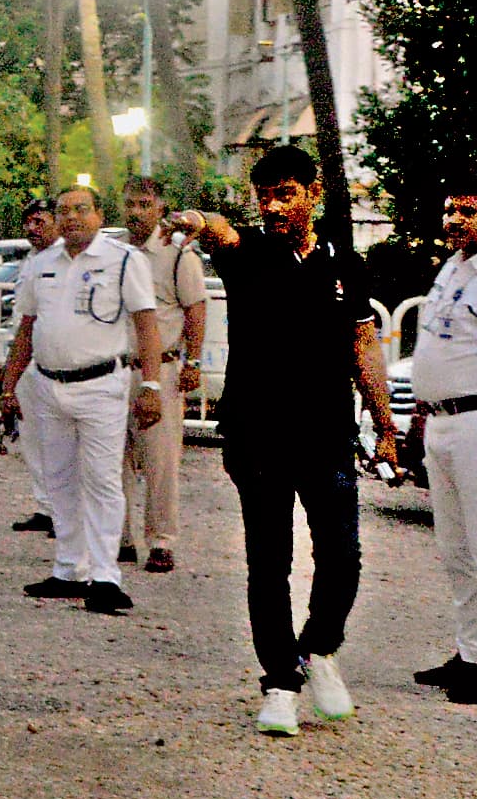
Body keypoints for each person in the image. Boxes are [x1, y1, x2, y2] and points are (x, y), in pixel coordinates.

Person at [165, 146, 395, 736]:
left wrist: (385, 425)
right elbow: (221, 233)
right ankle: (279, 685)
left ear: (313, 195)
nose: (273, 206)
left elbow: (363, 349)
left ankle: (318, 648)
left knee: (342, 555)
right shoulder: (250, 252)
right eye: (264, 195)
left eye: (286, 193)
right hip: (258, 436)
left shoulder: (345, 265)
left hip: (326, 435)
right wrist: (195, 220)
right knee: (268, 563)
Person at [0, 186, 162, 618]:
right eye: (63, 211)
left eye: (81, 209)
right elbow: (27, 328)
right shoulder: (42, 264)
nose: (71, 218)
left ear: (98, 213)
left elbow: (146, 325)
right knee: (59, 479)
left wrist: (152, 386)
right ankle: (70, 568)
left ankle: (106, 577)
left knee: (103, 480)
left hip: (100, 385)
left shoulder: (125, 260)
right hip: (49, 386)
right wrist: (9, 383)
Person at [411, 175, 477, 705]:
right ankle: (472, 651)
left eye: (469, 210)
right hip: (441, 421)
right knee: (455, 548)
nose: (455, 220)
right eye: (450, 210)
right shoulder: (453, 267)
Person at [120, 177, 208, 574]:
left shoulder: (176, 256)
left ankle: (161, 540)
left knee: (160, 460)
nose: (136, 212)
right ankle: (119, 537)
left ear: (160, 208)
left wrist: (194, 361)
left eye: (143, 204)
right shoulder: (115, 251)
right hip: (116, 368)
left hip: (163, 370)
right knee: (113, 460)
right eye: (130, 204)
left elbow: (195, 309)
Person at [7, 199, 61, 535]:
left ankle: (63, 510)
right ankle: (45, 505)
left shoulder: (62, 259)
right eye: (28, 222)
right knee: (32, 437)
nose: (32, 229)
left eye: (39, 221)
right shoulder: (30, 260)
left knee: (58, 440)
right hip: (27, 359)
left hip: (52, 360)